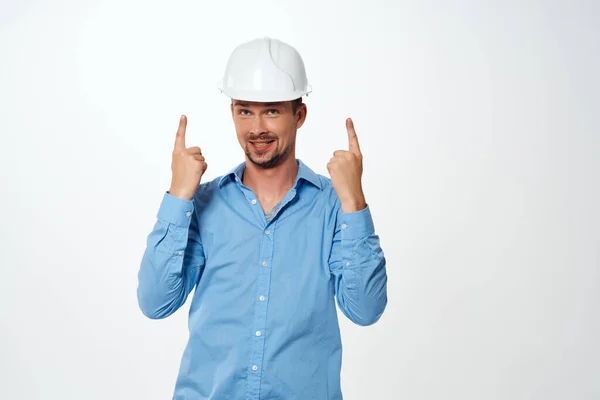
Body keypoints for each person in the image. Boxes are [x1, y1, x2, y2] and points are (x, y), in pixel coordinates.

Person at [137, 36, 388, 400]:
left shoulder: (335, 208)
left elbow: (365, 310)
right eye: (244, 111)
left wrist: (354, 200)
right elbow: (155, 302)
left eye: (271, 110)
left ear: (298, 115)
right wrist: (178, 195)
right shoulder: (203, 202)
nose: (257, 128)